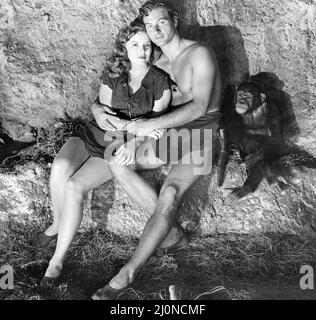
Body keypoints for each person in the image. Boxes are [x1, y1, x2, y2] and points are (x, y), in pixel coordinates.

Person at [92, 0, 222, 300]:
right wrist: (96, 108)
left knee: (170, 194)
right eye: (150, 26)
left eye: (161, 22)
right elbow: (123, 95)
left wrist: (141, 129)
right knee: (116, 159)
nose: (156, 30)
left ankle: (127, 274)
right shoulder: (157, 63)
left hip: (203, 134)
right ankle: (174, 236)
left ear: (174, 20)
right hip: (170, 134)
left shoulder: (198, 53)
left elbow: (200, 106)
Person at [34, 21, 174, 286]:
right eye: (135, 44)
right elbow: (103, 117)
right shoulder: (113, 73)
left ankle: (56, 262)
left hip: (119, 146)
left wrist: (133, 138)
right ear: (125, 46)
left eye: (147, 45)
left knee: (75, 185)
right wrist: (129, 122)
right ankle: (55, 224)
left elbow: (157, 124)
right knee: (60, 166)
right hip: (95, 133)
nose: (142, 50)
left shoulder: (160, 81)